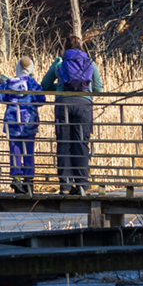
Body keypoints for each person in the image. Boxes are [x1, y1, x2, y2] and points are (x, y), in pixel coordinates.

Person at [40, 37, 104, 195]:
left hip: (64, 105)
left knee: (64, 144)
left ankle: (65, 186)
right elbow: (98, 88)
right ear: (81, 47)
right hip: (83, 105)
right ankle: (82, 185)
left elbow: (44, 85)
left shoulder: (59, 62)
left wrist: (61, 87)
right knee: (81, 144)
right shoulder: (90, 62)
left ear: (65, 47)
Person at [0, 58, 44, 195]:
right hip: (29, 121)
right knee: (28, 152)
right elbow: (41, 99)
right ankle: (28, 180)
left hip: (13, 122)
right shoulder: (32, 83)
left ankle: (16, 177)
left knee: (15, 151)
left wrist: (1, 85)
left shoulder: (10, 83)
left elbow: (1, 97)